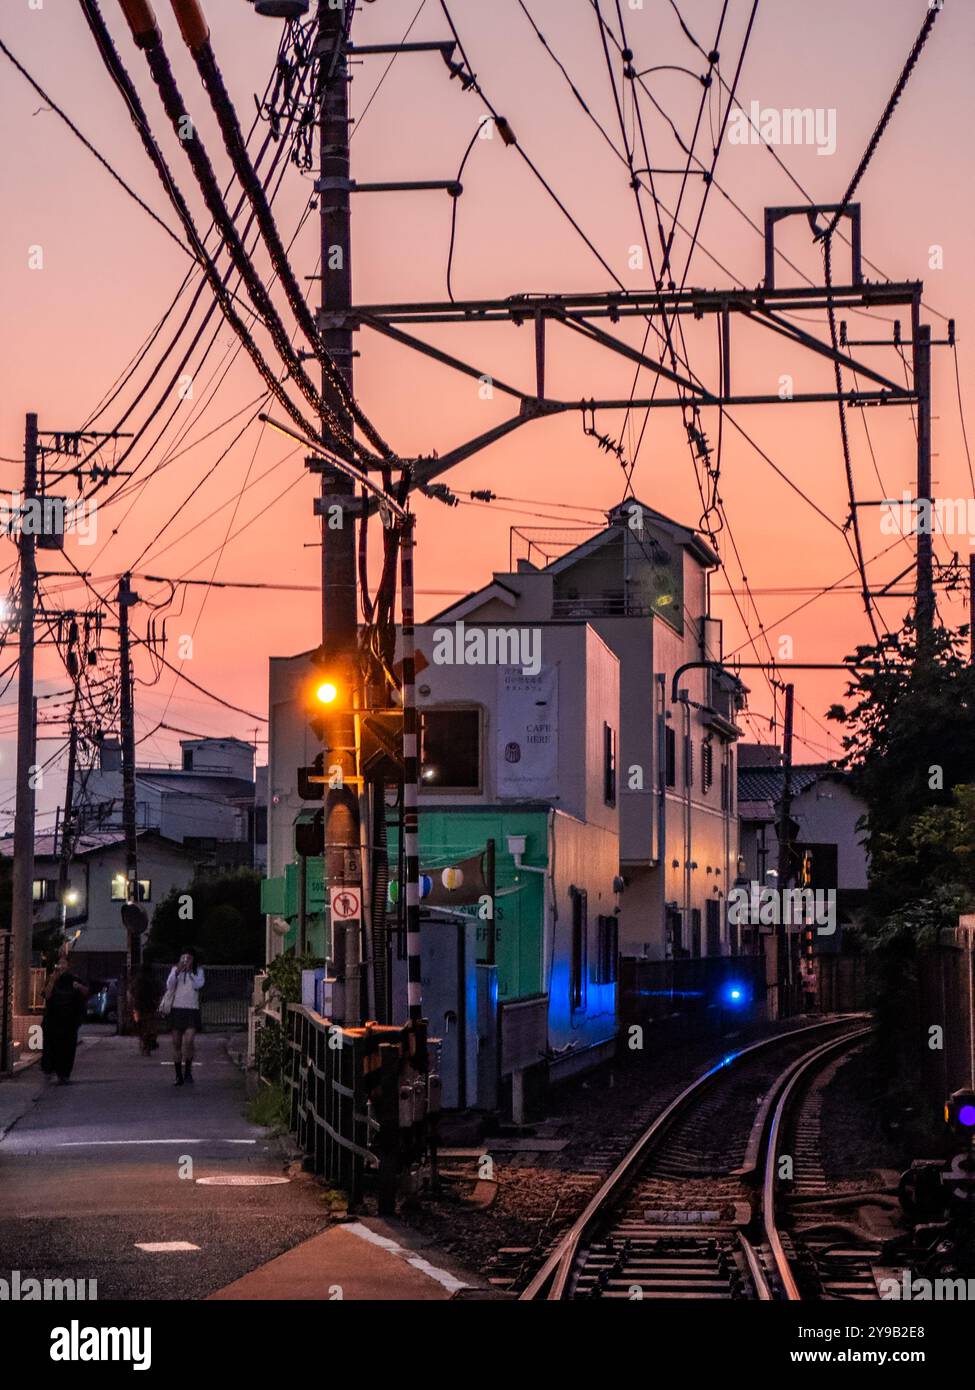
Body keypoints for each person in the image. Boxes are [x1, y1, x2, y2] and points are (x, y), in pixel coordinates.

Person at [41, 967, 88, 1083]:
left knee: (67, 1049)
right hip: (53, 1021)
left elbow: (86, 992)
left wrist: (79, 987)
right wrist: (52, 980)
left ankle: (63, 1075)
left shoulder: (74, 979)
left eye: (63, 964)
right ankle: (51, 1071)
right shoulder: (52, 980)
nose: (61, 968)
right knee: (51, 1048)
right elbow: (46, 995)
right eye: (59, 965)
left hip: (69, 1022)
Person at [165, 951, 205, 1086]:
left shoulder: (198, 971)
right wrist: (177, 971)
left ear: (193, 959)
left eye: (188, 958)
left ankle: (188, 1071)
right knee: (176, 1043)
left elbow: (198, 985)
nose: (186, 960)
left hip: (191, 1009)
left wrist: (190, 973)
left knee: (188, 1041)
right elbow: (169, 985)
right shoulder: (175, 970)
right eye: (183, 958)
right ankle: (178, 1075)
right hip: (177, 1009)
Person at [131, 965, 161, 1057]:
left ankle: (144, 1044)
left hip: (138, 1007)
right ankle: (148, 1044)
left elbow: (132, 992)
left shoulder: (137, 981)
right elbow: (158, 993)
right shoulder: (153, 981)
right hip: (150, 1007)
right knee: (150, 1027)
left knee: (140, 1026)